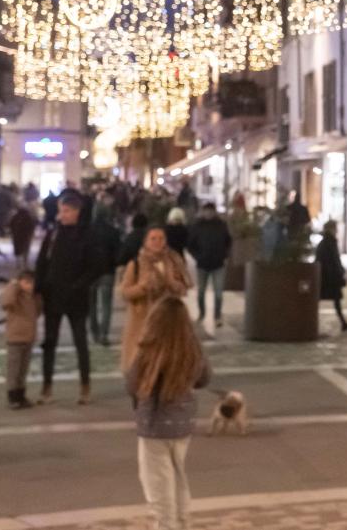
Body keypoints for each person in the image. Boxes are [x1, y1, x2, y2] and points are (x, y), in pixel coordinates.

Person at [125, 296, 209, 530]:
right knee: (178, 478)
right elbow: (205, 378)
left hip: (154, 427)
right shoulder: (191, 348)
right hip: (183, 425)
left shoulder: (148, 351)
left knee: (158, 488)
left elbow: (131, 385)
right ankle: (182, 523)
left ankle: (167, 526)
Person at [34, 193, 96, 405]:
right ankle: (46, 387)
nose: (63, 215)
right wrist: (38, 289)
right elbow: (42, 263)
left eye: (67, 211)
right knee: (49, 342)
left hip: (76, 298)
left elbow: (94, 267)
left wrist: (78, 285)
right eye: (61, 210)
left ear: (77, 212)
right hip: (53, 297)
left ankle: (85, 386)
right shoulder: (52, 235)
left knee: (80, 342)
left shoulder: (87, 235)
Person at [119, 226, 192, 372]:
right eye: (153, 239)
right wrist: (143, 288)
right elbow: (124, 292)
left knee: (167, 366)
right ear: (145, 242)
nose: (157, 242)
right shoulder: (136, 264)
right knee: (144, 366)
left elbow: (185, 287)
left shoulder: (173, 261)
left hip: (169, 321)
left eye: (161, 238)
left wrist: (174, 284)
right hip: (144, 321)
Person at [0, 270, 40, 409]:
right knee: (14, 370)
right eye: (26, 282)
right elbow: (5, 302)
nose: (30, 286)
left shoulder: (34, 298)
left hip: (28, 339)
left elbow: (39, 311)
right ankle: (12, 397)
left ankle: (21, 395)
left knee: (23, 370)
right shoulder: (15, 297)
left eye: (32, 283)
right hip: (14, 339)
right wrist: (14, 285)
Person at [188, 203, 232, 327]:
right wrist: (197, 256)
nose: (208, 213)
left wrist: (225, 255)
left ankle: (217, 316)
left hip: (218, 264)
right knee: (201, 292)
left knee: (218, 293)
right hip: (202, 264)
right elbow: (191, 244)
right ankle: (202, 313)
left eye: (211, 211)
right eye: (206, 211)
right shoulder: (198, 226)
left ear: (214, 212)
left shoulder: (221, 225)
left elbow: (228, 241)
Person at [88, 194, 122, 347]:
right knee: (107, 304)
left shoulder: (87, 230)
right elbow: (119, 252)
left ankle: (94, 332)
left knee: (92, 304)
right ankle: (104, 334)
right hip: (108, 270)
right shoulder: (113, 231)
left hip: (91, 271)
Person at [316, 220, 347, 331]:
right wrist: (340, 273)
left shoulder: (325, 242)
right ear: (331, 229)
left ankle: (343, 322)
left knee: (330, 299)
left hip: (325, 276)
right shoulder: (330, 242)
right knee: (334, 299)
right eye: (335, 228)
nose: (337, 230)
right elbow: (334, 260)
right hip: (330, 277)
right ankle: (343, 322)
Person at [9, 204, 37, 269]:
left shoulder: (15, 216)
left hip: (16, 236)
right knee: (25, 249)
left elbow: (11, 225)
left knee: (17, 249)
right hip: (26, 237)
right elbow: (32, 226)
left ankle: (18, 264)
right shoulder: (29, 217)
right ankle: (25, 263)